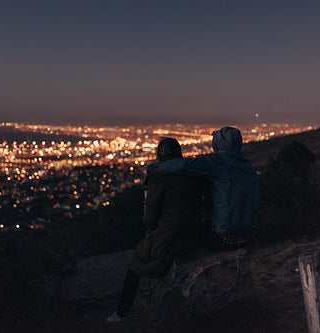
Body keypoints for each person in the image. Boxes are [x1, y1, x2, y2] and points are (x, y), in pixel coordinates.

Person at [107, 138, 205, 322]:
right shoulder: (193, 174)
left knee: (135, 265)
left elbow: (149, 220)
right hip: (193, 235)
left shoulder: (159, 178)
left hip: (172, 237)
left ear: (160, 154)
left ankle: (121, 313)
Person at [148, 126, 259, 251]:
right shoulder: (249, 168)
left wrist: (154, 167)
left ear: (218, 143)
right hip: (247, 236)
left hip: (223, 237)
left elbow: (183, 166)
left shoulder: (218, 163)